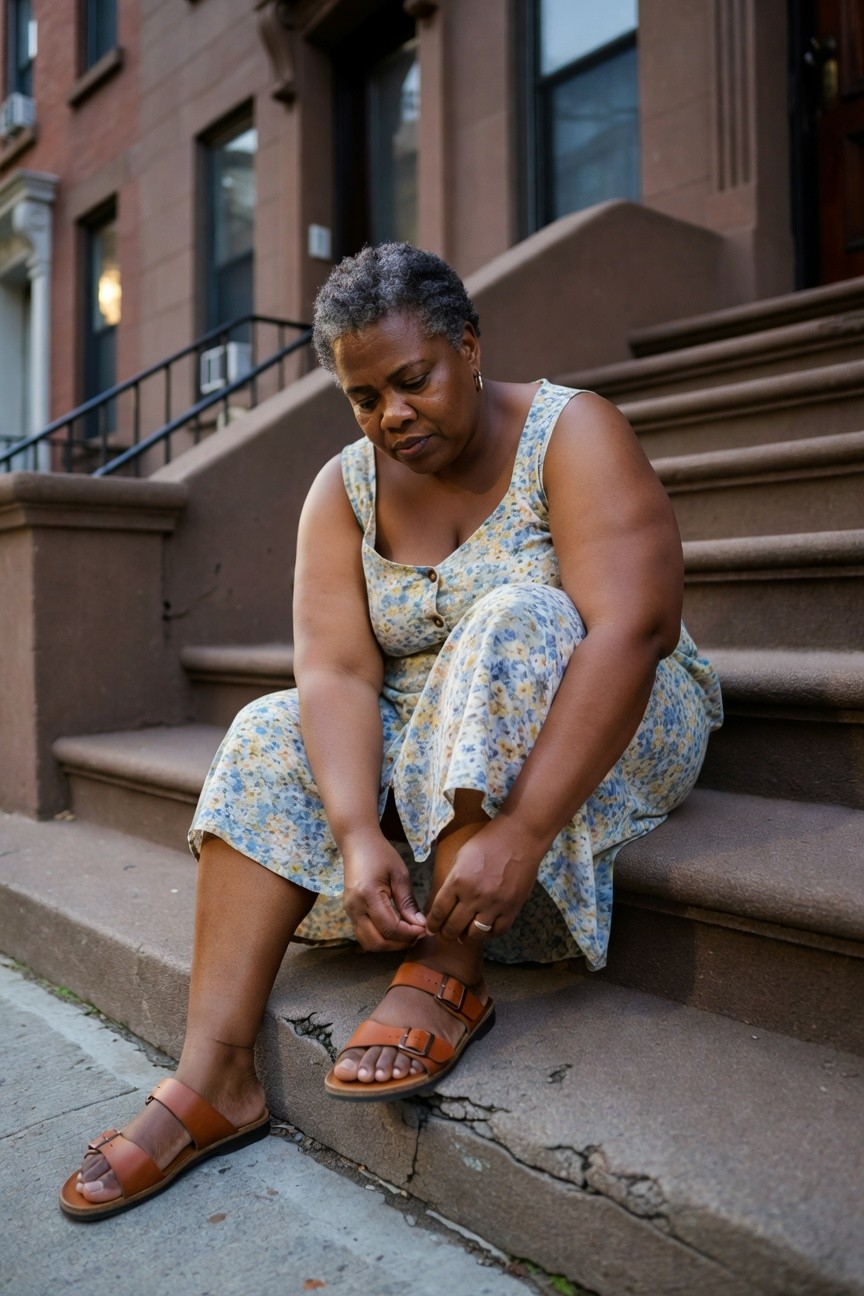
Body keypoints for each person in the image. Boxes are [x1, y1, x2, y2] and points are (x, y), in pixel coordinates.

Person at [59, 243, 722, 1219]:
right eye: (365, 398)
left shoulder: (570, 432)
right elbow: (335, 671)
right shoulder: (345, 487)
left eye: (413, 380)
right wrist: (357, 832)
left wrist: (522, 829)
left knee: (512, 615)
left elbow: (633, 629)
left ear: (469, 347)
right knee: (267, 725)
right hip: (432, 736)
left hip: (600, 713)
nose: (392, 415)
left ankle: (449, 968)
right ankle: (215, 1073)